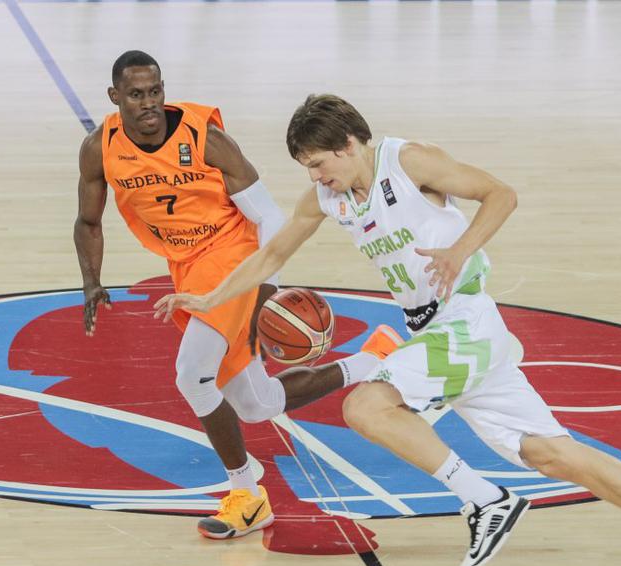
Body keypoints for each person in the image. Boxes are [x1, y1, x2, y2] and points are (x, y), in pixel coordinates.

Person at [154, 94, 621, 566]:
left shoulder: (409, 161)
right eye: (307, 168)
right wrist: (210, 298)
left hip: (465, 319)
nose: (315, 176)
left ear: (349, 144)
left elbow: (501, 194)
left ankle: (484, 499)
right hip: (440, 332)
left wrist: (460, 250)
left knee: (365, 407)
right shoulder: (328, 198)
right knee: (552, 455)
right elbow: (272, 256)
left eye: (318, 163)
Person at [75, 56, 391, 540]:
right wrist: (91, 281)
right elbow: (88, 221)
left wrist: (265, 291)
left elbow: (269, 217)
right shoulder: (100, 147)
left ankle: (247, 496)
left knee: (192, 375)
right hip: (186, 267)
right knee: (257, 404)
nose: (149, 103)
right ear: (115, 97)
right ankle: (374, 360)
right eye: (136, 95)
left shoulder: (206, 139)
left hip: (232, 256)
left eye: (155, 91)